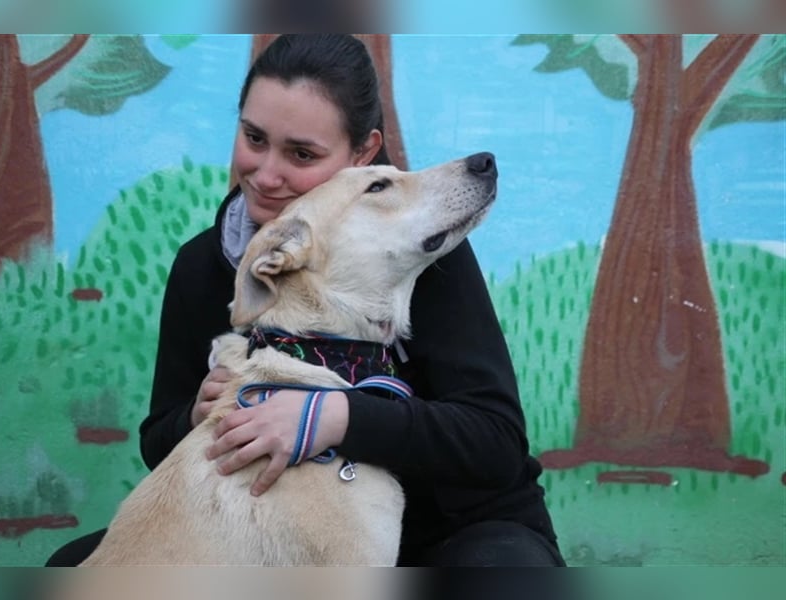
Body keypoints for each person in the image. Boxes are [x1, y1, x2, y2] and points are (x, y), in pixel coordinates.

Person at [46, 33, 565, 567]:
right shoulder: (204, 265)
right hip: (283, 524)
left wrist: (334, 416)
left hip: (457, 530)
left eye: (302, 153)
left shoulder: (422, 250)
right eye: (254, 138)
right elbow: (160, 442)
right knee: (72, 564)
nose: (266, 175)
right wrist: (200, 416)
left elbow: (495, 441)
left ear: (361, 153)